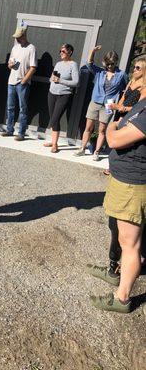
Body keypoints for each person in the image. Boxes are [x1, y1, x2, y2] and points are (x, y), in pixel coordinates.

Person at [89, 97, 146, 313]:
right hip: (125, 179)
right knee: (122, 237)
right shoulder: (143, 102)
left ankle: (122, 298)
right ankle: (116, 274)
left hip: (134, 184)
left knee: (131, 244)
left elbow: (114, 139)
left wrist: (112, 126)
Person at [74, 46, 128, 161]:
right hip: (95, 101)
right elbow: (89, 64)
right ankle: (82, 148)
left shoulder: (121, 75)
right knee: (88, 127)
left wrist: (120, 102)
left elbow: (126, 88)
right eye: (107, 64)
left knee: (102, 129)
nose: (109, 66)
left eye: (112, 64)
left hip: (109, 104)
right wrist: (92, 51)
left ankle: (97, 152)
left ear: (116, 62)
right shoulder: (100, 71)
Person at [103, 57, 146, 175]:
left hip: (132, 117)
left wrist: (122, 108)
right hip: (121, 114)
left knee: (123, 142)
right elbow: (123, 98)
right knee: (116, 139)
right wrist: (116, 107)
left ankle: (116, 168)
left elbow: (141, 107)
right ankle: (112, 165)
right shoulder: (131, 81)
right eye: (134, 67)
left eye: (138, 68)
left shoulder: (144, 87)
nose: (134, 70)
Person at [1, 23, 37, 141]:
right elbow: (10, 63)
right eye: (16, 37)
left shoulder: (31, 48)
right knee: (10, 108)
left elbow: (33, 67)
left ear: (24, 35)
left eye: (19, 36)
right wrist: (10, 65)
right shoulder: (15, 48)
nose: (17, 39)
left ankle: (21, 133)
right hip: (11, 82)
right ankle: (9, 130)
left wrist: (24, 80)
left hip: (22, 83)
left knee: (23, 109)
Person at [43, 44, 79, 153]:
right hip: (52, 93)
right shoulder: (58, 64)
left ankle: (55, 145)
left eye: (63, 51)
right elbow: (52, 77)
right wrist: (51, 80)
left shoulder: (73, 65)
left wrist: (60, 81)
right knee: (54, 119)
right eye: (60, 51)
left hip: (64, 95)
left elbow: (76, 82)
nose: (61, 53)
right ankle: (54, 142)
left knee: (54, 119)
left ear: (70, 52)